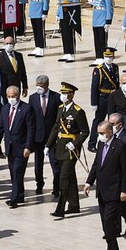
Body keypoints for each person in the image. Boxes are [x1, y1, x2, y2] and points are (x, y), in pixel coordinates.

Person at [84, 120, 126, 250]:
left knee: (109, 221)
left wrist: (124, 190)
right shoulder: (101, 144)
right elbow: (97, 164)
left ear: (110, 132)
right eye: (98, 133)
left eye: (102, 133)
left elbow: (125, 171)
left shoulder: (120, 146)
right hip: (102, 191)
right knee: (105, 223)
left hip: (114, 191)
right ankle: (111, 247)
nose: (100, 136)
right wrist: (89, 182)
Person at [49, 82, 88, 218]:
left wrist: (75, 143)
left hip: (71, 150)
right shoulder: (61, 108)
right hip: (60, 147)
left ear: (72, 94)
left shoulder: (78, 111)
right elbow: (56, 127)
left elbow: (85, 131)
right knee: (70, 177)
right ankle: (74, 206)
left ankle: (60, 209)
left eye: (66, 93)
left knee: (64, 178)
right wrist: (48, 145)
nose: (64, 96)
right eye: (63, 93)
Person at [0, 84, 37, 207]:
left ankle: (13, 199)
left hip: (22, 147)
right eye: (8, 96)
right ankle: (20, 195)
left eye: (13, 96)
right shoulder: (5, 108)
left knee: (18, 171)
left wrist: (28, 147)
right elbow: (0, 127)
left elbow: (31, 129)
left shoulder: (26, 108)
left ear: (18, 96)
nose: (11, 98)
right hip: (10, 147)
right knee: (14, 173)